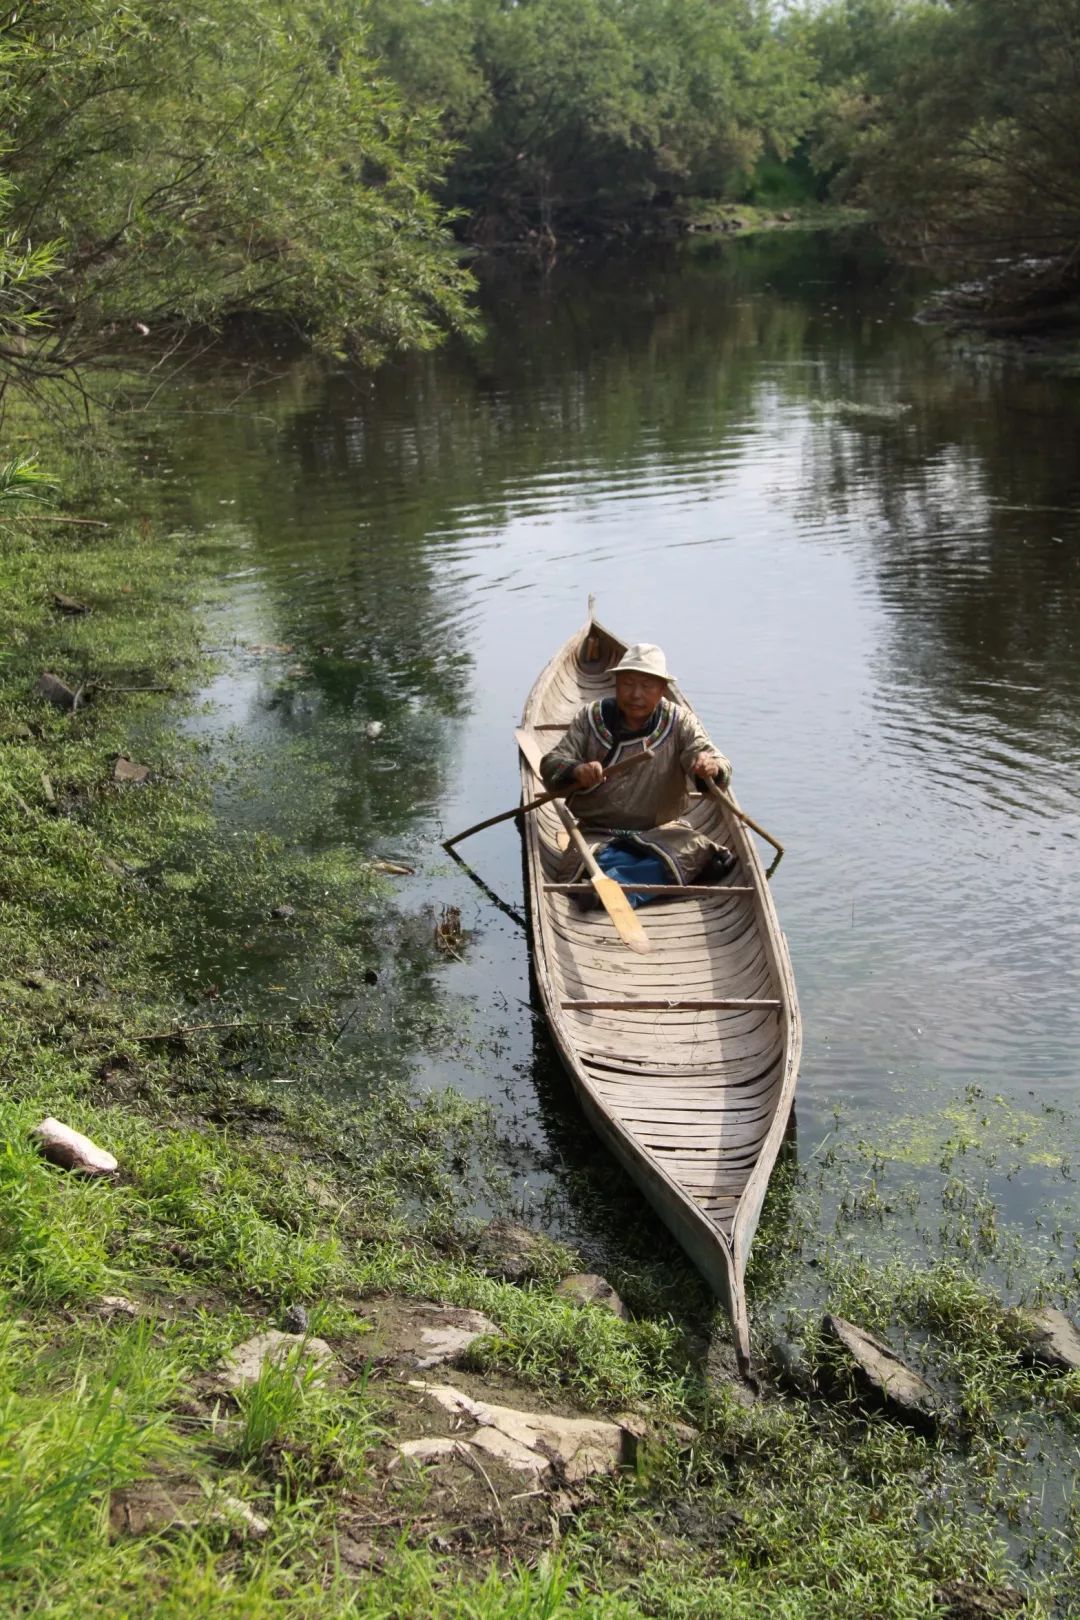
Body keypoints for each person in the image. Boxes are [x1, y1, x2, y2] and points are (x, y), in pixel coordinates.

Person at [539, 643, 735, 907]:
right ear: (616, 684)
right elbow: (551, 763)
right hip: (600, 834)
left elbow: (712, 758)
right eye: (628, 684)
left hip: (662, 834)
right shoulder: (591, 718)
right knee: (595, 859)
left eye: (647, 686)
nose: (636, 694)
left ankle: (613, 887)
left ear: (662, 689)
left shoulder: (680, 722)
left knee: (702, 851)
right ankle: (627, 882)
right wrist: (577, 770)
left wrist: (709, 766)